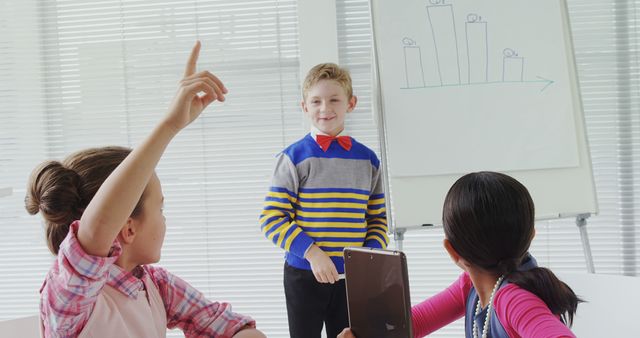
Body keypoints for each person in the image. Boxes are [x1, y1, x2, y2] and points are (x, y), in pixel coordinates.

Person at [26, 41, 266, 338]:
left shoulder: (154, 285)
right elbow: (98, 228)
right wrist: (169, 125)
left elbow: (231, 327)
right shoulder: (70, 296)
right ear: (127, 228)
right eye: (160, 208)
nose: (165, 220)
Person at [338, 171, 581, 338]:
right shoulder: (471, 286)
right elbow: (414, 324)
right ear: (531, 236)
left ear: (451, 251)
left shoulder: (513, 300)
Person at [259, 63, 389, 338]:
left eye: (334, 100)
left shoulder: (368, 160)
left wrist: (367, 261)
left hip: (352, 280)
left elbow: (377, 219)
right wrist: (313, 254)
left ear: (351, 104)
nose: (324, 108)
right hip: (303, 275)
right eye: (316, 101)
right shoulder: (293, 158)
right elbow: (271, 219)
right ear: (304, 106)